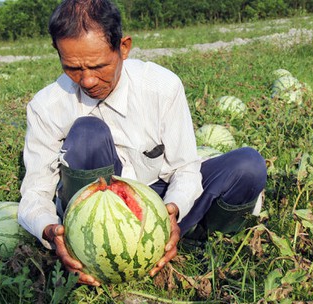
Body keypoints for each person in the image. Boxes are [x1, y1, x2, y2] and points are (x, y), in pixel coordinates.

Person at [18, 0, 267, 287]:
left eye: (98, 66)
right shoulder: (46, 106)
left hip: (157, 196)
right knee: (88, 133)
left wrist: (173, 208)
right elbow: (35, 193)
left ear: (124, 47)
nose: (86, 80)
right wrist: (51, 231)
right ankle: (94, 255)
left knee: (248, 165)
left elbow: (185, 168)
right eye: (72, 68)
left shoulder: (161, 87)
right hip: (93, 211)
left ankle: (199, 240)